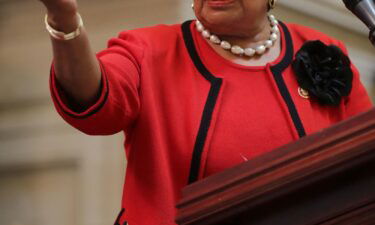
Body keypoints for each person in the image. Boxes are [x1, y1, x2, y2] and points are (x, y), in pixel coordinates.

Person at [39, 0, 373, 224]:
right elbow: (93, 99)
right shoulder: (149, 51)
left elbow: (364, 171)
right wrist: (64, 19)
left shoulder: (323, 51)